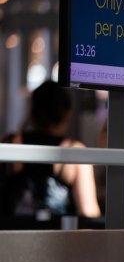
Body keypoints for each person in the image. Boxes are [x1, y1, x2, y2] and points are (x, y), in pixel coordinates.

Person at [0, 80, 101, 219]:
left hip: (12, 237)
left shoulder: (11, 144)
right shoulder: (74, 152)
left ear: (32, 111)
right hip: (57, 239)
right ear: (67, 114)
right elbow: (88, 212)